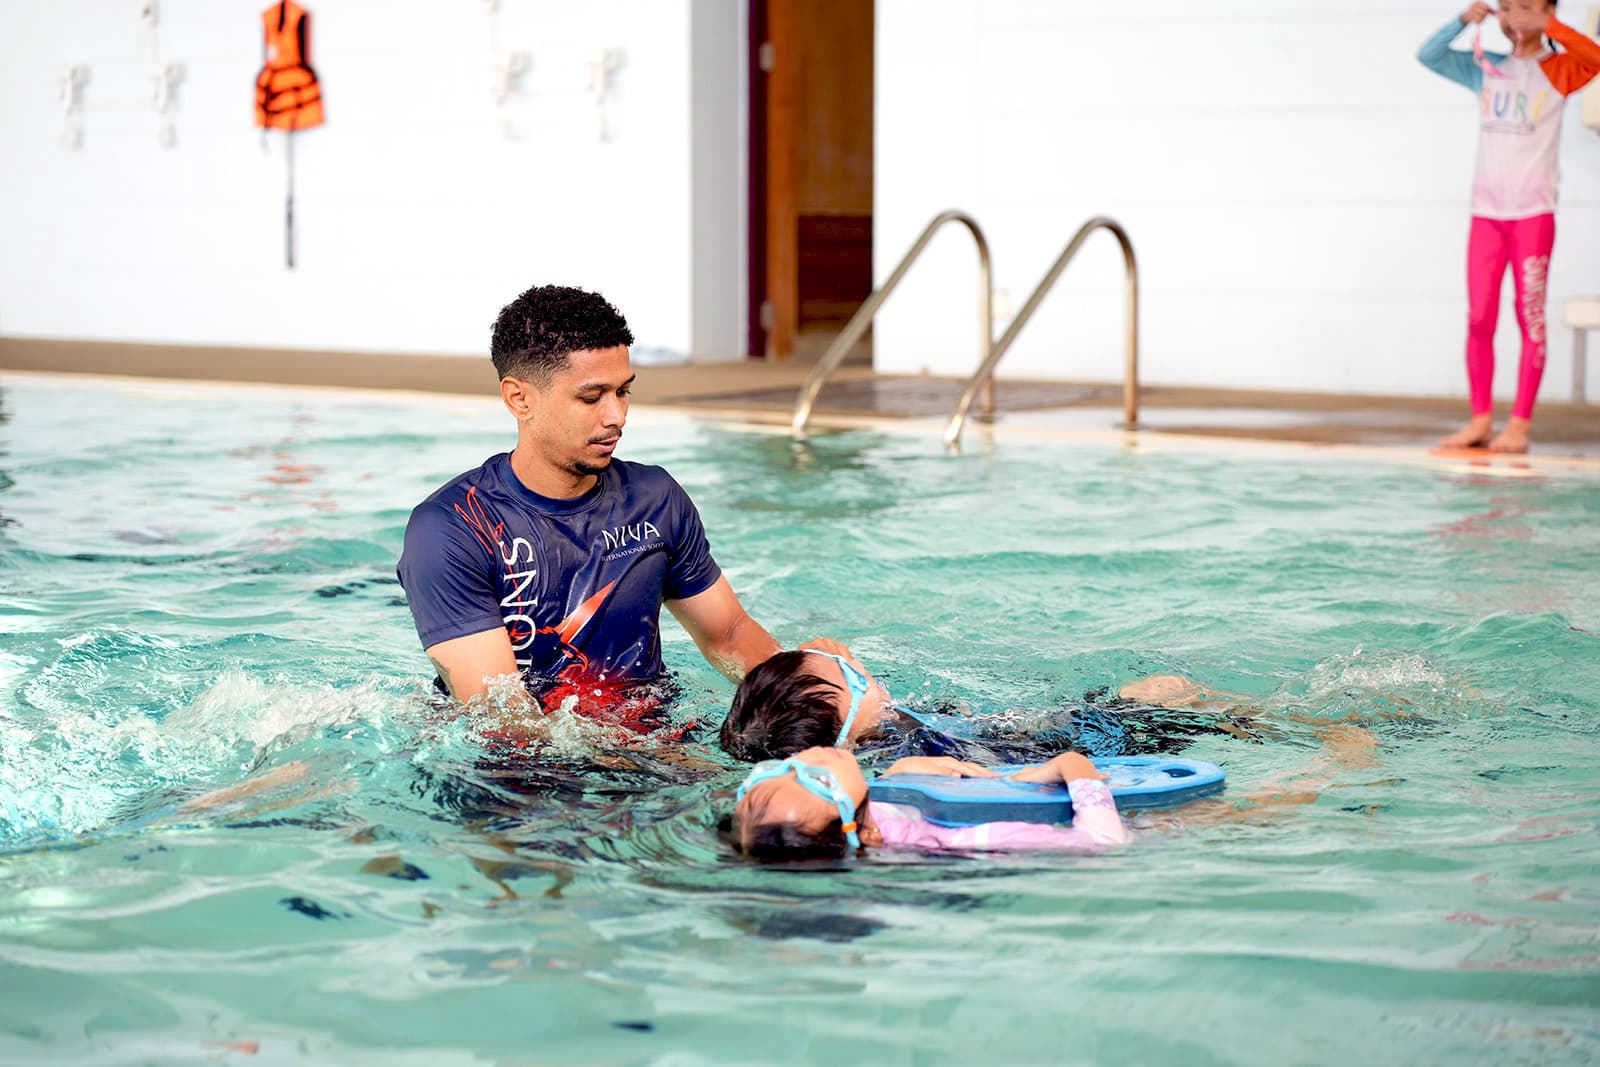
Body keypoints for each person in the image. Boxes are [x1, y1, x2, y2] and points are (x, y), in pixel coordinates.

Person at [396, 285, 785, 718]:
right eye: (591, 397)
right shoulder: (452, 528)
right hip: (520, 770)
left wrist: (806, 691)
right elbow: (502, 718)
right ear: (519, 398)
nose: (616, 416)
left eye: (623, 392)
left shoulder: (655, 498)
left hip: (654, 737)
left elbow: (728, 635)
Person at [1419, 1, 1600, 453]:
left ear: (1547, 11)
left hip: (1532, 217)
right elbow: (1429, 55)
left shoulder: (1558, 70)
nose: (1515, 14)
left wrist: (1550, 27)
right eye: (1507, 6)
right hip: (1486, 215)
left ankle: (1519, 425)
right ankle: (1480, 419)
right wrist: (1463, 21)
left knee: (1530, 319)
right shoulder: (1486, 68)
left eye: (1527, 6)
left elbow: (1596, 59)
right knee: (1480, 317)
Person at [718, 640, 1257, 765]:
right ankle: (1290, 725)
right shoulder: (919, 753)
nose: (845, 657)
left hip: (1035, 733)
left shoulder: (863, 735)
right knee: (1163, 690)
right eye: (847, 674)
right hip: (1087, 741)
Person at [727, 746, 1130, 860]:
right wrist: (1078, 770)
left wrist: (901, 776)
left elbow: (874, 808)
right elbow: (1102, 842)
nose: (804, 759)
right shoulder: (952, 841)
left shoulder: (856, 828)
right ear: (863, 831)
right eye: (818, 779)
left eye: (773, 770)